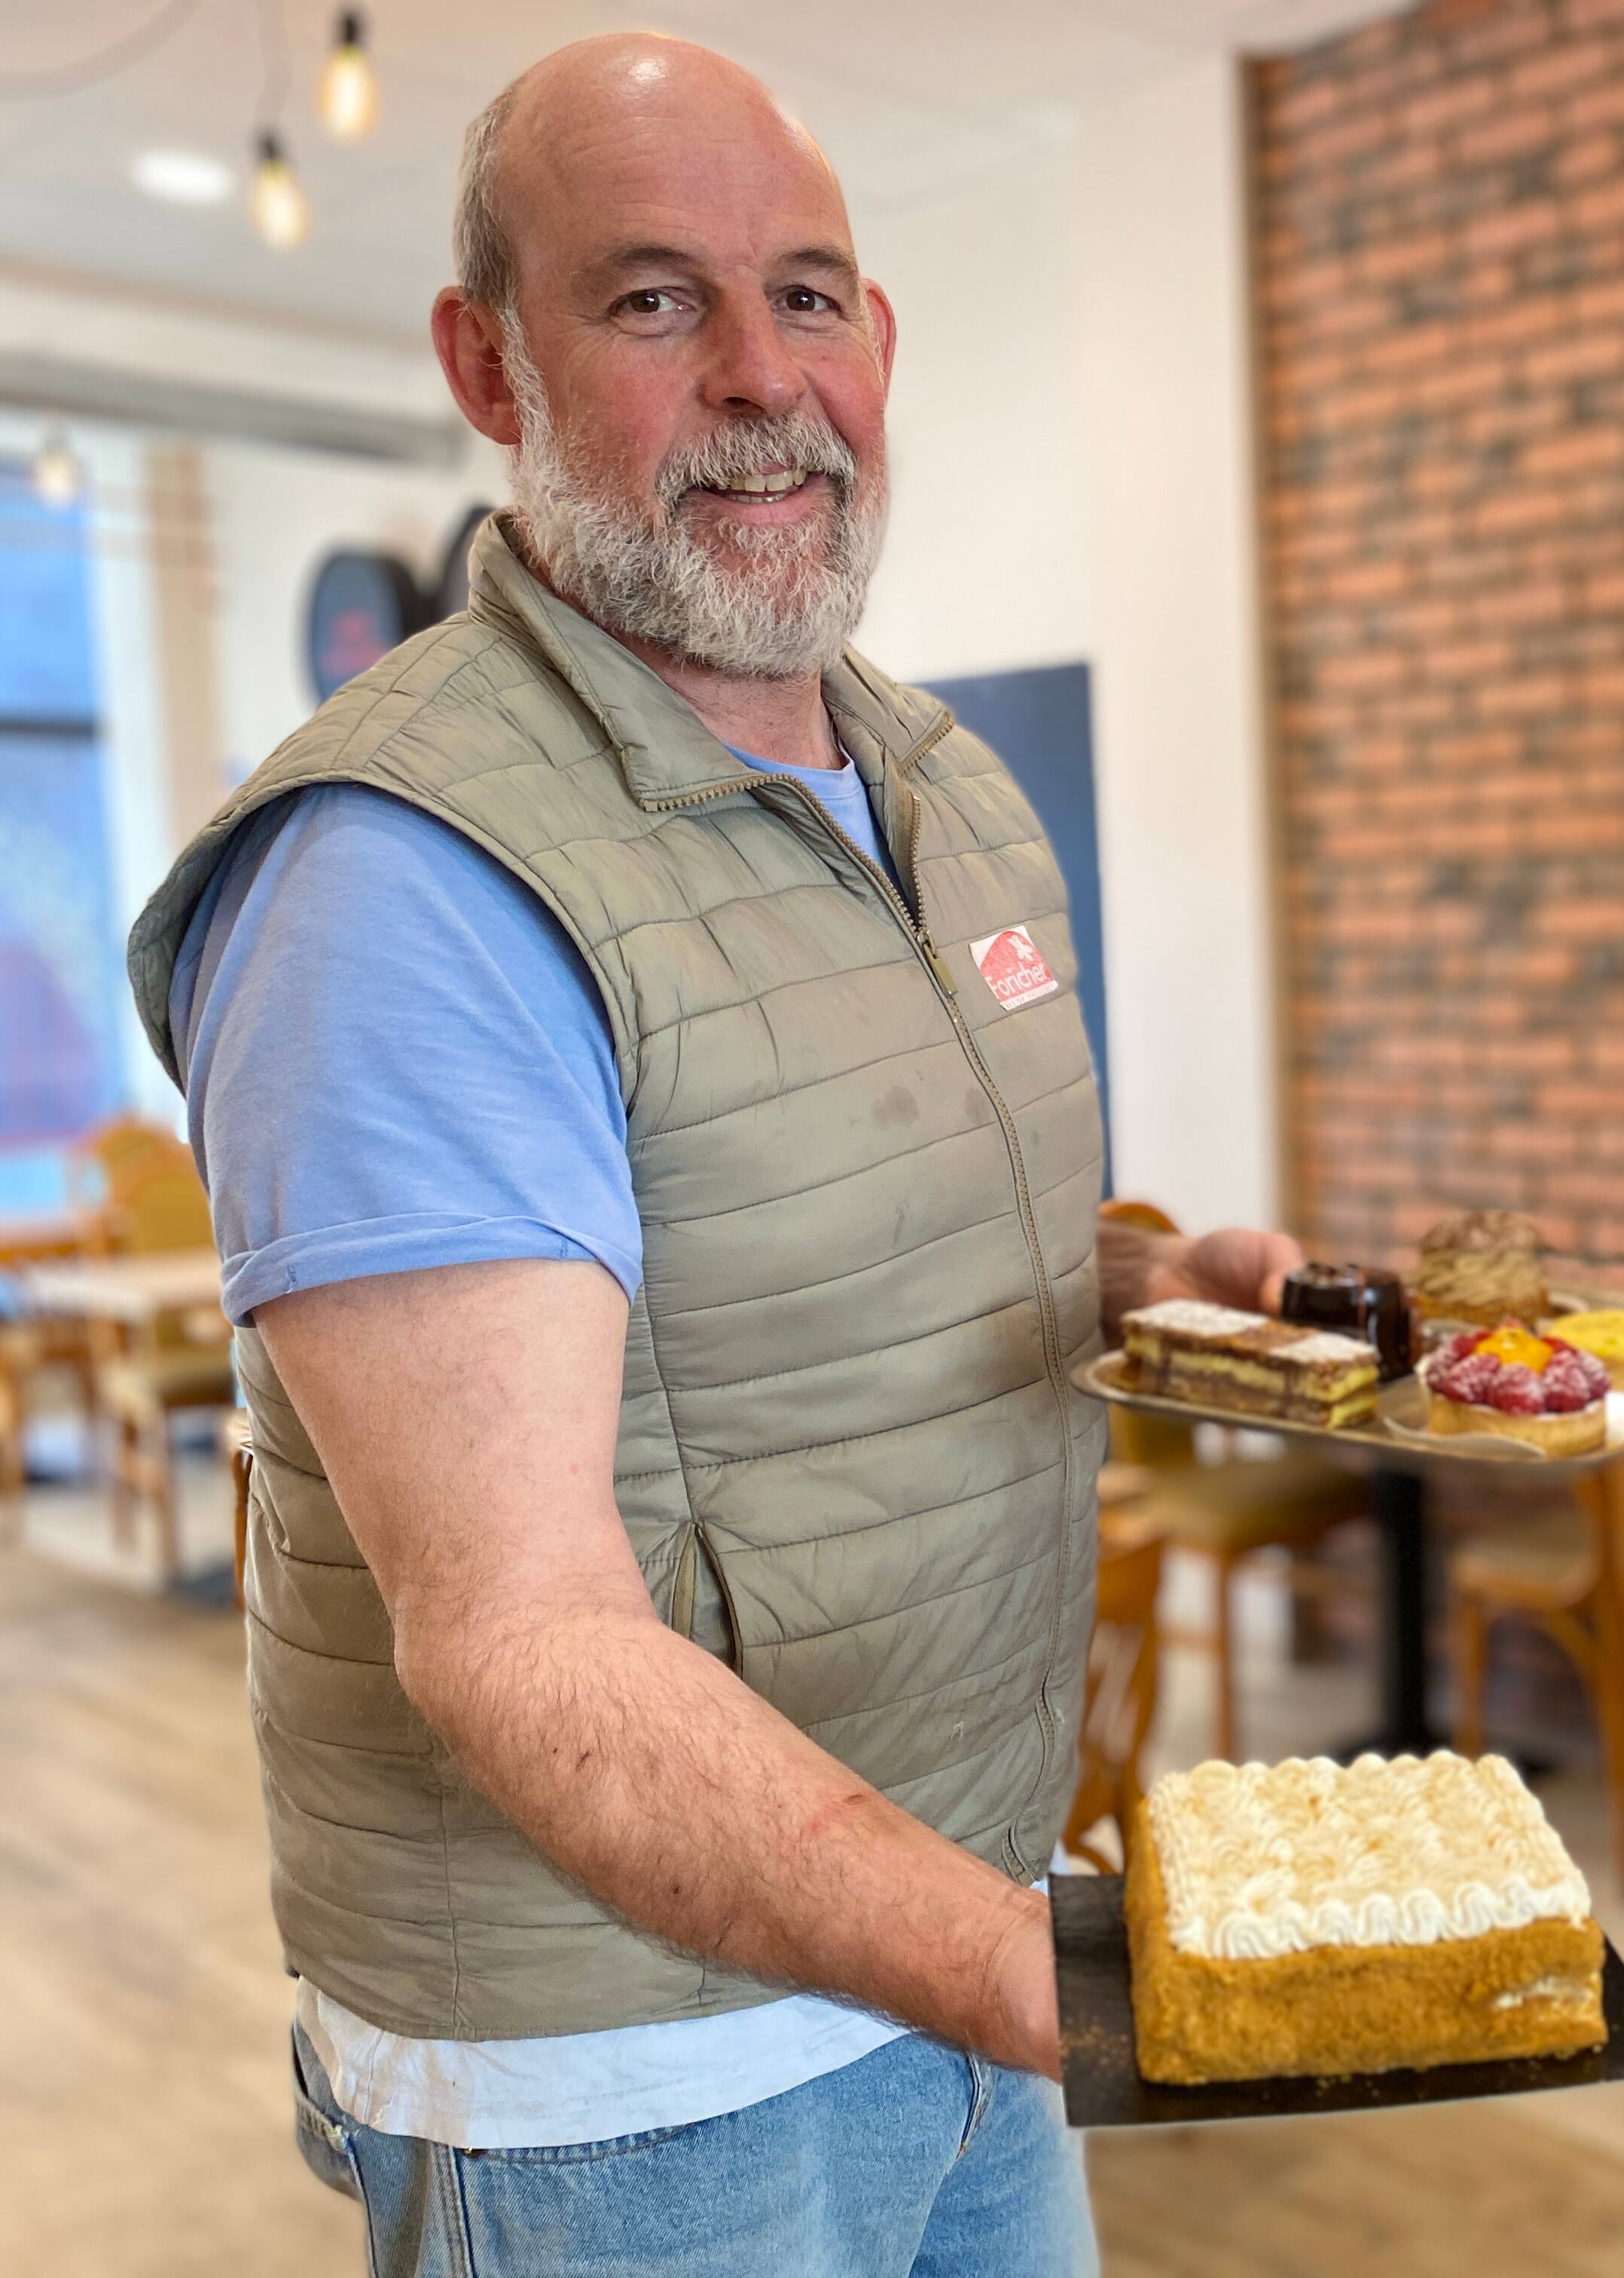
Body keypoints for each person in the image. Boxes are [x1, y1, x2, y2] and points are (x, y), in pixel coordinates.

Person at [122, 35, 1296, 2276]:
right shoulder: (402, 879)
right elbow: (524, 1640)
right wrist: (1079, 1991)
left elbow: (819, 1240)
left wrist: (1158, 1291)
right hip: (631, 2091)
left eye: (813, 295)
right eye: (655, 302)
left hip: (954, 1923)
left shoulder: (937, 780)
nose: (765, 377)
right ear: (492, 363)